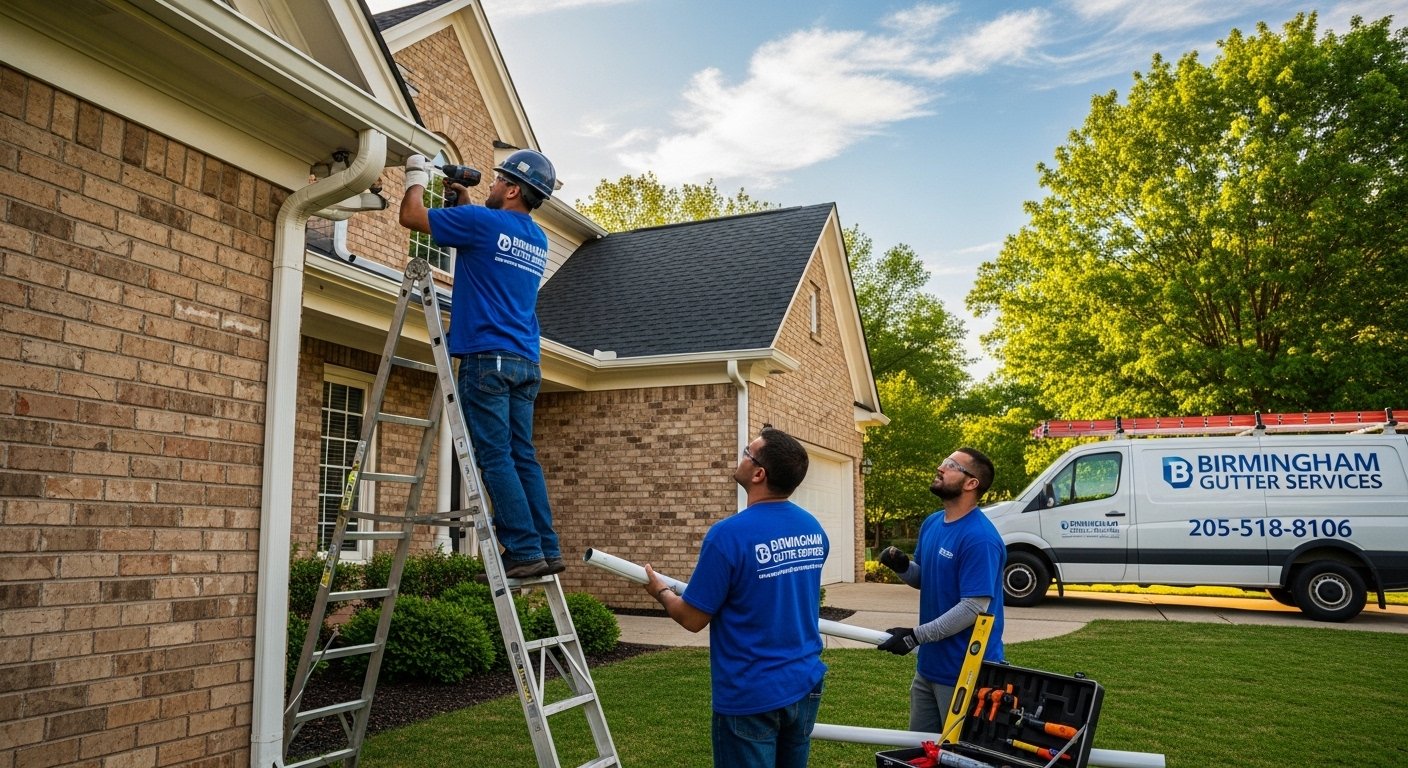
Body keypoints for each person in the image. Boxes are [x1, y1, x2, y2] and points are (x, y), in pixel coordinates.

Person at [399, 149, 563, 579]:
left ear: (512, 189)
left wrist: (416, 175)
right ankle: (546, 546)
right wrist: (463, 202)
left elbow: (412, 217)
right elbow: (488, 239)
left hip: (486, 359)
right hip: (525, 360)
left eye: (497, 180)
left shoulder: (482, 224)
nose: (489, 185)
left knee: (494, 458)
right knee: (522, 456)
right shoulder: (537, 238)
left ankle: (524, 550)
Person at [643, 428, 828, 768]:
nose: (741, 455)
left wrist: (661, 591)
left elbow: (693, 618)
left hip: (752, 691)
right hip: (804, 682)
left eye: (748, 452)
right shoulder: (813, 529)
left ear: (759, 474)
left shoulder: (727, 536)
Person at [876, 447, 1005, 736]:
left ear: (972, 483)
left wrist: (915, 636)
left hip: (966, 671)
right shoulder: (932, 523)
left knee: (956, 755)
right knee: (919, 751)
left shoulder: (979, 538)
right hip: (929, 666)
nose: (940, 467)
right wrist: (903, 567)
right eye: (944, 461)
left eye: (951, 465)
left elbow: (974, 607)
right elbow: (926, 579)